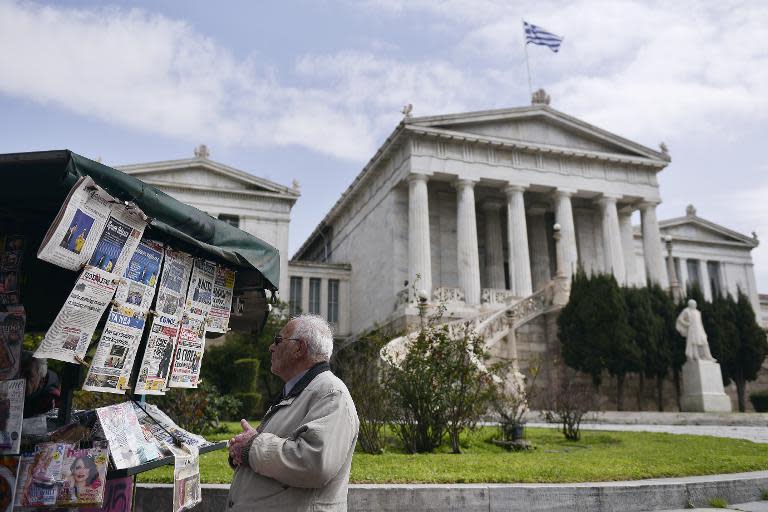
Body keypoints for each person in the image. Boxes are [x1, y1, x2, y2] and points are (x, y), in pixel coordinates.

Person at [227, 314, 359, 511]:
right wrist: (242, 450)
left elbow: (315, 464)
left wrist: (251, 447)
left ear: (299, 348)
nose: (271, 347)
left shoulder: (331, 393)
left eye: (278, 340)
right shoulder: (301, 391)